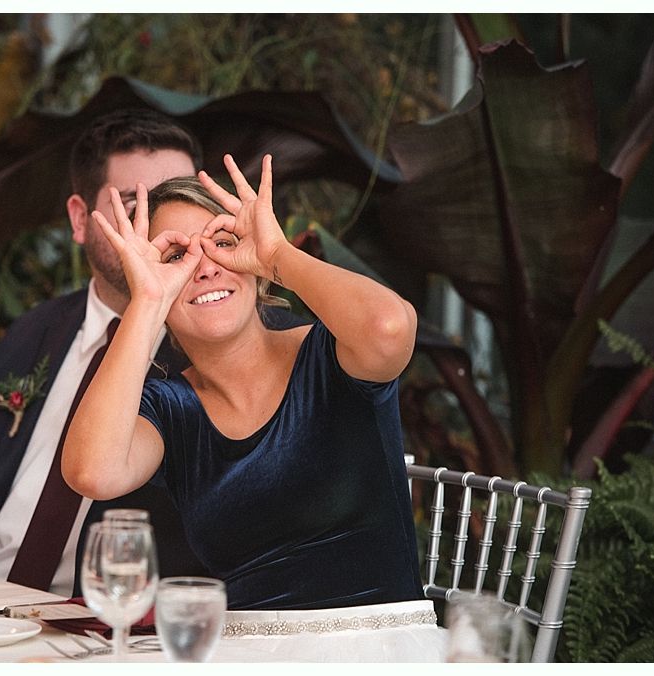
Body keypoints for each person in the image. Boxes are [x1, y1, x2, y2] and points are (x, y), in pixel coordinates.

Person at [0, 110, 307, 595]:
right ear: (79, 218)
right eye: (131, 205)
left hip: (109, 621)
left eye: (174, 198)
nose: (156, 226)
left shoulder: (233, 344)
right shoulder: (35, 331)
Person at [63, 154, 424, 610]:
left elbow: (390, 328)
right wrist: (148, 301)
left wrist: (277, 256)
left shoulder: (332, 355)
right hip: (243, 651)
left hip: (377, 650)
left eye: (222, 243)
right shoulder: (171, 409)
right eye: (176, 257)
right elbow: (92, 471)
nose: (206, 267)